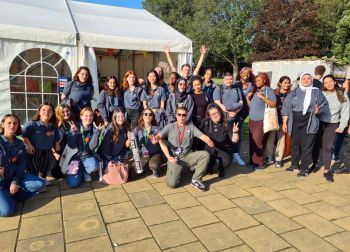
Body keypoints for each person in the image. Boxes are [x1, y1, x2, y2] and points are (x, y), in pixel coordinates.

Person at [281, 72, 328, 178]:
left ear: (311, 80)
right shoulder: (294, 92)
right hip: (295, 120)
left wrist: (318, 111)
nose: (306, 80)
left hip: (310, 120)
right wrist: (284, 122)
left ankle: (304, 168)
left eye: (308, 79)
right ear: (300, 80)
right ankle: (294, 165)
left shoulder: (317, 93)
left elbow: (323, 105)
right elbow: (286, 108)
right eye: (304, 79)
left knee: (307, 146)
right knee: (295, 144)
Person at [156, 107, 213, 191]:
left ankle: (196, 179)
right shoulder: (170, 126)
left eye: (184, 115)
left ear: (186, 116)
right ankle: (177, 170)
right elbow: (159, 136)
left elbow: (202, 136)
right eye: (179, 114)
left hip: (187, 155)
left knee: (205, 155)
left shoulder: (191, 127)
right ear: (176, 115)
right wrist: (156, 138)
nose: (181, 117)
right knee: (172, 184)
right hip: (174, 158)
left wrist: (209, 141)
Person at [0, 114, 45, 217]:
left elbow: (22, 165)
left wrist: (15, 181)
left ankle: (10, 196)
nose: (12, 125)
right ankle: (7, 198)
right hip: (0, 183)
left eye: (15, 123)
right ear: (3, 124)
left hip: (14, 178)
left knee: (40, 184)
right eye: (9, 123)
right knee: (8, 212)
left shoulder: (20, 144)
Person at [311, 75, 349, 182]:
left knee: (328, 147)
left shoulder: (342, 95)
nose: (328, 84)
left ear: (335, 82)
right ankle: (314, 164)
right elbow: (314, 108)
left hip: (332, 124)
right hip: (319, 122)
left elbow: (345, 112)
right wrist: (316, 112)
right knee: (316, 145)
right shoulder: (320, 94)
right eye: (326, 82)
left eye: (330, 81)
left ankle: (327, 170)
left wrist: (342, 126)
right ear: (323, 85)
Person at [22, 103, 60, 185]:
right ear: (39, 112)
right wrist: (29, 145)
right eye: (44, 110)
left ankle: (43, 178)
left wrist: (56, 150)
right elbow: (23, 136)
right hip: (34, 151)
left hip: (47, 150)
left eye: (49, 110)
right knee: (34, 168)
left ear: (53, 113)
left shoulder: (53, 126)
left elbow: (56, 138)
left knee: (46, 167)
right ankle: (34, 183)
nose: (47, 112)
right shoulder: (31, 124)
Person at [66, 107, 103, 188]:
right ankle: (79, 172)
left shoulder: (93, 129)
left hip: (87, 157)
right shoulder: (75, 126)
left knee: (94, 166)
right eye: (86, 115)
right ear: (81, 116)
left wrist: (97, 133)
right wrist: (73, 132)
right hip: (75, 159)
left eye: (91, 116)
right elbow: (71, 145)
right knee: (73, 184)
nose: (88, 118)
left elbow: (91, 147)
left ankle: (86, 172)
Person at [246, 73, 277, 171]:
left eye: (259, 80)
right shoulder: (256, 91)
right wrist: (247, 99)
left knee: (258, 142)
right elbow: (252, 106)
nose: (256, 82)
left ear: (264, 80)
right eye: (256, 80)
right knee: (252, 142)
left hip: (261, 120)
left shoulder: (268, 90)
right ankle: (252, 161)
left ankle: (259, 163)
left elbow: (273, 104)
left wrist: (263, 97)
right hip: (252, 120)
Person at [200, 104, 239, 177]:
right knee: (207, 164)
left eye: (216, 113)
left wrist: (235, 132)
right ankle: (210, 166)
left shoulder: (226, 123)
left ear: (220, 112)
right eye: (212, 114)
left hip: (224, 148)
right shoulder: (205, 122)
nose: (214, 115)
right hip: (209, 149)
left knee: (226, 162)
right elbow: (198, 136)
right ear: (209, 115)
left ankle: (220, 167)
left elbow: (234, 140)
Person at [213, 72, 244, 165]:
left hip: (234, 117)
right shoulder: (219, 88)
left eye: (231, 79)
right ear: (223, 79)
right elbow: (217, 102)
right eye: (227, 79)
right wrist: (226, 110)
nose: (229, 81)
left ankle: (236, 155)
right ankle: (220, 156)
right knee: (222, 137)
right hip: (222, 118)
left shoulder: (237, 88)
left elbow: (241, 103)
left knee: (235, 136)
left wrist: (235, 112)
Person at [265, 76, 292, 168]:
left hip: (284, 120)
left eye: (288, 82)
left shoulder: (291, 94)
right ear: (280, 83)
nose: (287, 84)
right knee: (271, 138)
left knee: (281, 139)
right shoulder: (274, 92)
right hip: (273, 118)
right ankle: (269, 157)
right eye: (285, 82)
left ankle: (278, 159)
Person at [134, 109, 164, 178]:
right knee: (133, 174)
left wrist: (156, 138)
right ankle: (147, 166)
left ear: (152, 117)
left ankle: (154, 168)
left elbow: (160, 137)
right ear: (142, 116)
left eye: (150, 114)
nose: (148, 116)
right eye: (146, 114)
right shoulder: (137, 129)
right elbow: (132, 144)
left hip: (155, 153)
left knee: (153, 165)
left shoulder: (156, 128)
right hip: (144, 154)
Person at [52, 104, 76, 179]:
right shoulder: (55, 125)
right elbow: (49, 142)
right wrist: (55, 153)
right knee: (58, 174)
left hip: (71, 150)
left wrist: (74, 131)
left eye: (67, 111)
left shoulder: (74, 123)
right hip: (59, 152)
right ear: (59, 113)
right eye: (63, 112)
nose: (66, 113)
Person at [332, 79, 349, 162]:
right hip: (336, 118)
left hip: (345, 120)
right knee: (335, 137)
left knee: (340, 138)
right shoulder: (340, 92)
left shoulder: (348, 95)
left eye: (345, 83)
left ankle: (335, 154)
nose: (343, 84)